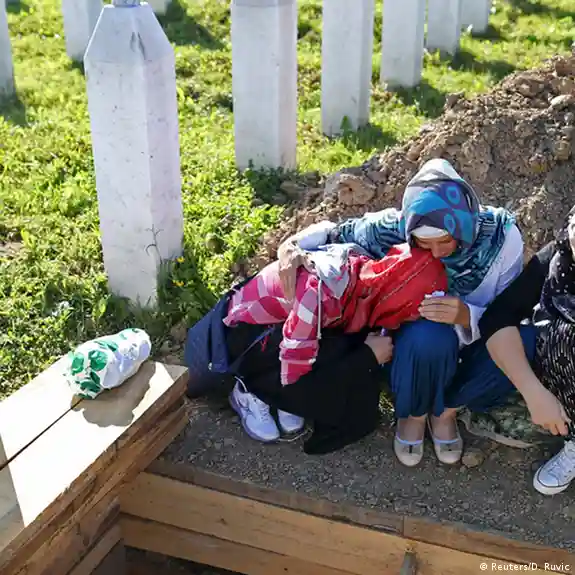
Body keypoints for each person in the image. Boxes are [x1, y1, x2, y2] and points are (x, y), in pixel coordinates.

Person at [277, 158, 523, 466]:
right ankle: (413, 414)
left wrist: (466, 316)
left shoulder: (500, 238)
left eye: (445, 240)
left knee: (525, 342)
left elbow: (512, 308)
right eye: (423, 244)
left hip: (478, 343)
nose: (437, 253)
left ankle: (446, 412)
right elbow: (333, 233)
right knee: (429, 335)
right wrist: (290, 247)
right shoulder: (392, 230)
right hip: (414, 354)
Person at [186, 242, 447, 455]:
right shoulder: (318, 296)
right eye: (408, 312)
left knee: (356, 378)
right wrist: (366, 358)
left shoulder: (366, 277)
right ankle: (252, 388)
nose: (404, 321)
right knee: (347, 367)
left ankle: (282, 394)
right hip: (246, 339)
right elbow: (295, 382)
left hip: (291, 334)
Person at [479, 209, 575, 495]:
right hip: (564, 371)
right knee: (560, 335)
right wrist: (534, 393)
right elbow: (497, 318)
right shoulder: (559, 260)